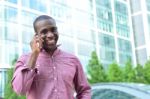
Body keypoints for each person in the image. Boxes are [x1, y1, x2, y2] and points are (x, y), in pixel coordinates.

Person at [11, 15, 91, 99]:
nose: (50, 35)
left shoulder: (73, 60)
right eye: (44, 32)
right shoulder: (25, 59)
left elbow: (84, 90)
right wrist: (34, 55)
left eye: (53, 30)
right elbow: (20, 90)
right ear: (36, 37)